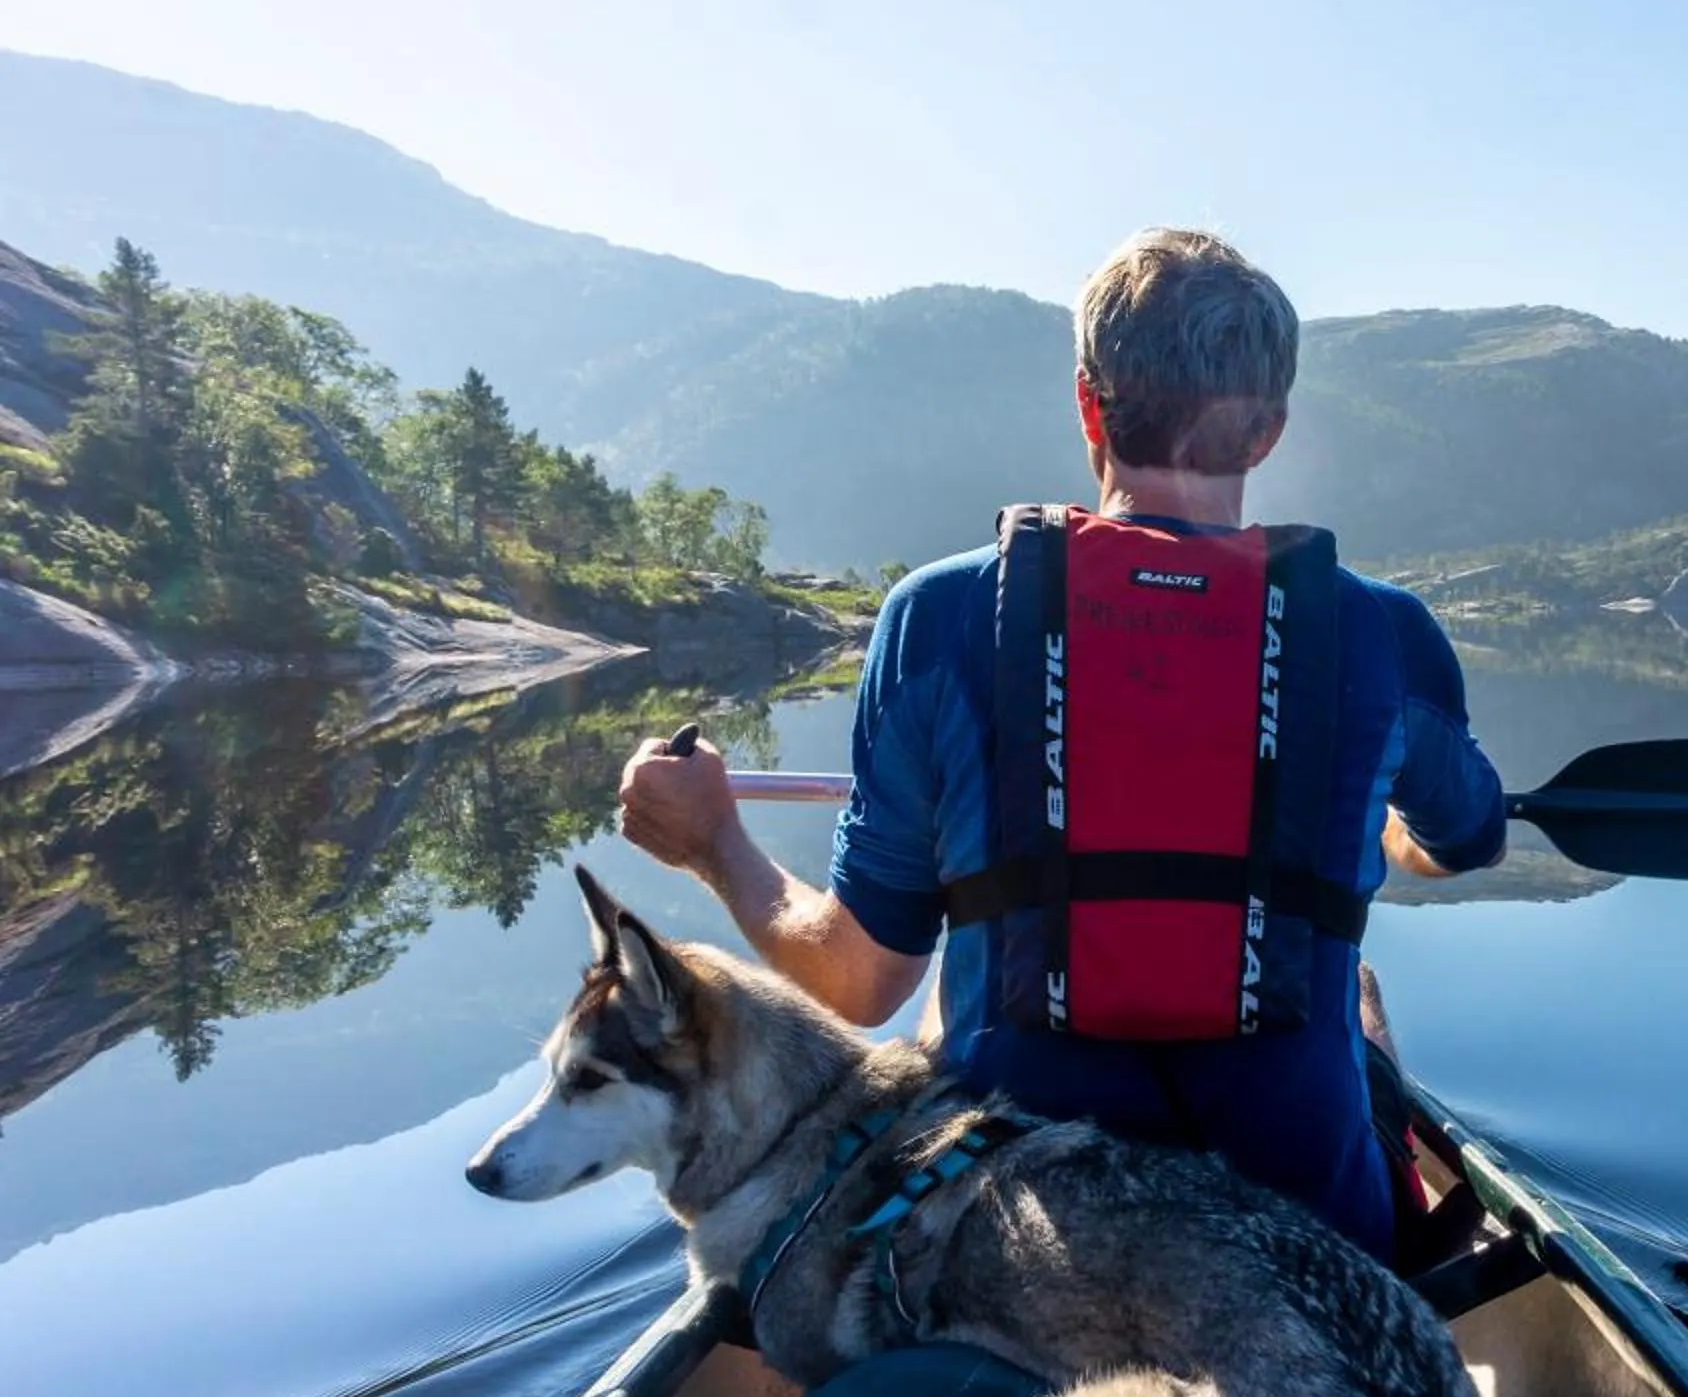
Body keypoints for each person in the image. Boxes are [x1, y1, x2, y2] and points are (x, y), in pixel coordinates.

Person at [614, 228, 1508, 1263]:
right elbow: (1469, 839)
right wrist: (1398, 835)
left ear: (1090, 403)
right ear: (1266, 431)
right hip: (1305, 1246)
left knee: (945, 1015)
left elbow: (858, 983)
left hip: (1024, 1250)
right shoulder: (1381, 634)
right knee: (1353, 992)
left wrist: (715, 841)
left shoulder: (938, 618)